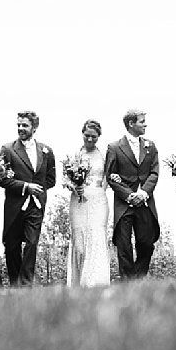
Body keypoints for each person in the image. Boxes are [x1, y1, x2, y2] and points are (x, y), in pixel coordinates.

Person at [0, 110, 56, 286]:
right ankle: (15, 283)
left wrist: (38, 190)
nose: (21, 128)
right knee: (12, 245)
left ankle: (25, 284)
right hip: (15, 204)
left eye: (25, 125)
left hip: (36, 206)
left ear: (35, 127)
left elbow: (51, 180)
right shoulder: (8, 149)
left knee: (32, 243)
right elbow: (3, 180)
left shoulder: (46, 151)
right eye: (19, 125)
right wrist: (25, 187)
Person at [104, 109, 160, 279]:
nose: (145, 124)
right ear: (131, 123)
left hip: (144, 201)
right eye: (142, 121)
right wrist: (129, 195)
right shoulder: (114, 147)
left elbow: (154, 172)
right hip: (124, 204)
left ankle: (138, 278)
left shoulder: (151, 146)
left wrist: (143, 193)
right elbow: (111, 177)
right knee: (124, 245)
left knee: (146, 243)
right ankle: (127, 282)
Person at [64, 120, 111, 287]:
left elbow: (108, 177)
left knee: (96, 236)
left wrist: (100, 191)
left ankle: (96, 282)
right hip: (78, 200)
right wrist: (75, 187)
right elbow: (65, 179)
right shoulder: (75, 155)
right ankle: (78, 283)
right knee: (80, 242)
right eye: (87, 136)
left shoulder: (105, 155)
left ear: (99, 137)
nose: (90, 139)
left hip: (98, 200)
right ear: (82, 134)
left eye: (94, 137)